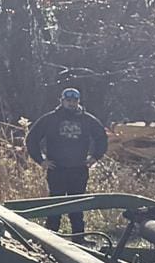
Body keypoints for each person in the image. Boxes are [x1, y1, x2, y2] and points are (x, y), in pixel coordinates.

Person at [27, 88, 109, 234]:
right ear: (62, 101)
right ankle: (50, 238)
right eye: (69, 100)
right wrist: (41, 160)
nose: (72, 104)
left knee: (77, 207)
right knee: (54, 206)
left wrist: (95, 157)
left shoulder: (87, 119)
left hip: (79, 169)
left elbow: (102, 137)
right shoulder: (50, 119)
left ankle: (79, 238)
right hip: (56, 169)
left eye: (75, 101)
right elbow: (32, 139)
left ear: (79, 101)